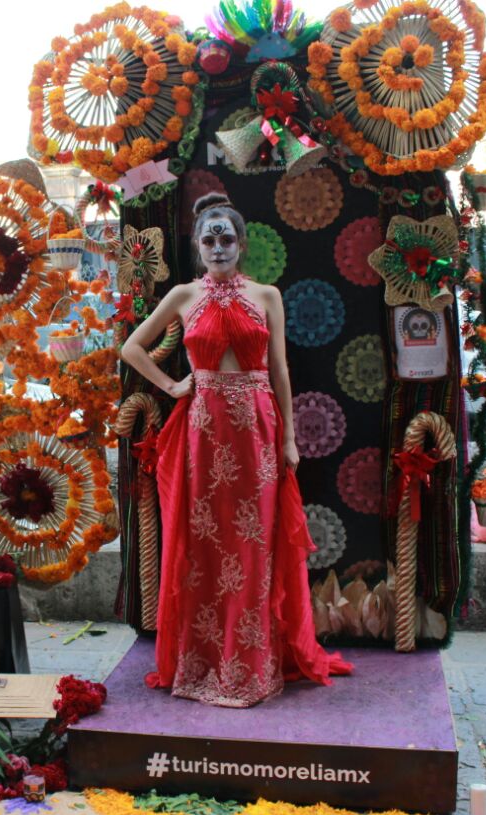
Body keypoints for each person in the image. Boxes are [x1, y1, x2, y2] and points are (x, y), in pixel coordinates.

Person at [120, 193, 352, 708]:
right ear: (198, 246)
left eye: (227, 238)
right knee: (203, 548)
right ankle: (202, 662)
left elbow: (281, 371)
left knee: (252, 546)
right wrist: (173, 384)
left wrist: (289, 437)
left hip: (256, 431)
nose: (219, 246)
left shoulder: (267, 295)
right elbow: (131, 347)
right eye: (209, 239)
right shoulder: (182, 295)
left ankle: (249, 666)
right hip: (202, 432)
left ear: (241, 244)